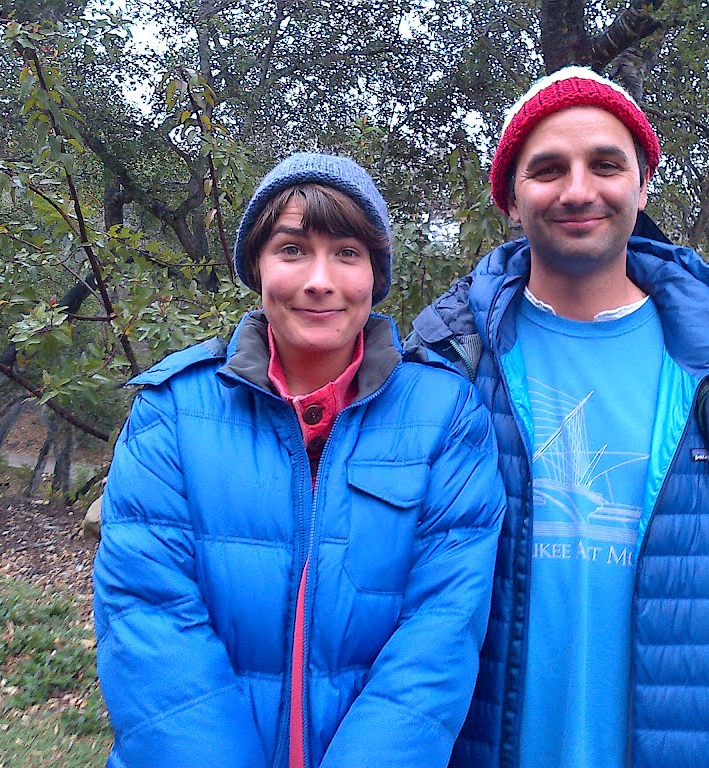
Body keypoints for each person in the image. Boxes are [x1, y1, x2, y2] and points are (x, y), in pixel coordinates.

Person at [407, 67, 709, 768]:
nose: (577, 190)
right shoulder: (451, 357)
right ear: (510, 197)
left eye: (605, 164)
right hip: (480, 743)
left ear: (642, 184)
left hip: (686, 741)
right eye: (547, 169)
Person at [93, 152, 506, 768]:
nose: (320, 279)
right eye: (292, 250)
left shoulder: (446, 415)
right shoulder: (174, 411)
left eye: (346, 253)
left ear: (374, 274)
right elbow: (148, 618)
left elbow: (442, 630)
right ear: (257, 266)